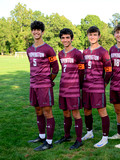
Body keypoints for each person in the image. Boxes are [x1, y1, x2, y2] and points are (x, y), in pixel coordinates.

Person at [27, 21, 59, 151]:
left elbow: (55, 69)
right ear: (31, 31)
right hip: (33, 85)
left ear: (42, 32)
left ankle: (49, 142)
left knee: (47, 112)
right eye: (33, 30)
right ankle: (41, 136)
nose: (36, 32)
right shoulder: (29, 50)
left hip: (44, 86)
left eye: (38, 30)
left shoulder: (48, 49)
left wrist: (48, 80)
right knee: (38, 110)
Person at [81, 26, 112, 148]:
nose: (92, 37)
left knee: (101, 110)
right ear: (87, 36)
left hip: (98, 85)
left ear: (99, 36)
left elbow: (109, 71)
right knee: (86, 110)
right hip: (86, 85)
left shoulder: (103, 51)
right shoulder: (85, 52)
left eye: (94, 34)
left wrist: (103, 84)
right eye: (90, 34)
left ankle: (105, 138)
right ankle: (89, 133)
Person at [54, 28, 84, 150]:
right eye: (63, 38)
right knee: (65, 112)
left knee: (76, 113)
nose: (65, 40)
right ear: (60, 39)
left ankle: (79, 140)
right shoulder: (60, 53)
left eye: (67, 37)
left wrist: (78, 85)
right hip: (63, 87)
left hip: (74, 88)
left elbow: (82, 71)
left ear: (71, 39)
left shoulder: (77, 53)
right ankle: (66, 136)